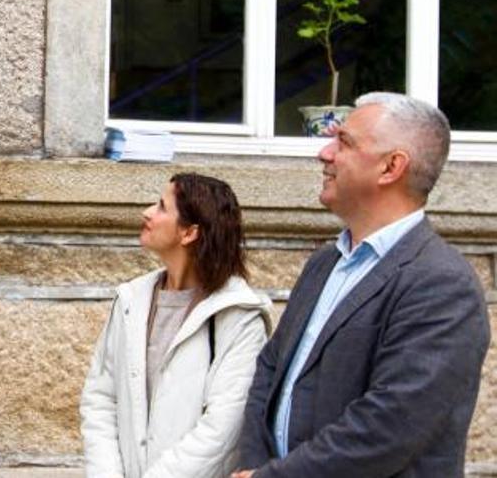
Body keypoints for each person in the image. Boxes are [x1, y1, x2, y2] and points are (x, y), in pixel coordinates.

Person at [235, 93, 490, 478]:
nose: (324, 153)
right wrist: (256, 466)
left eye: (344, 142)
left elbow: (390, 426)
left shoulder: (442, 283)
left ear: (391, 167)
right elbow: (270, 372)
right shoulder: (325, 263)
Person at [80, 173, 273, 477]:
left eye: (161, 207)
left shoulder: (238, 316)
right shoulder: (131, 300)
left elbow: (222, 428)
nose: (147, 212)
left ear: (188, 233)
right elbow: (101, 398)